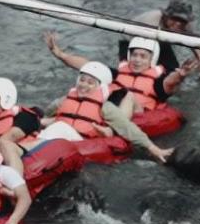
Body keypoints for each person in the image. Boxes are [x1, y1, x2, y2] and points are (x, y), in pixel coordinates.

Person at [46, 32, 191, 162]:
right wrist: (61, 55)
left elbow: (171, 81)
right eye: (134, 55)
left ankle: (110, 130)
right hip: (111, 111)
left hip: (139, 114)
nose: (137, 60)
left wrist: (180, 75)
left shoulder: (158, 82)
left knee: (128, 95)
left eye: (143, 56)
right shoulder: (119, 72)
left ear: (151, 60)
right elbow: (87, 66)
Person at [116, 0, 200, 79]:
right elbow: (143, 50)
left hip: (161, 41)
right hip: (133, 41)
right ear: (166, 16)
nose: (178, 24)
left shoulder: (186, 25)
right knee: (132, 71)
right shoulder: (151, 21)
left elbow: (193, 40)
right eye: (174, 18)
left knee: (173, 71)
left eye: (182, 20)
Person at [0, 77, 42, 173]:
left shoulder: (26, 117)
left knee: (4, 145)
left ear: (6, 99)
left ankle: (16, 184)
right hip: (4, 163)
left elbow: (6, 139)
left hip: (30, 158)